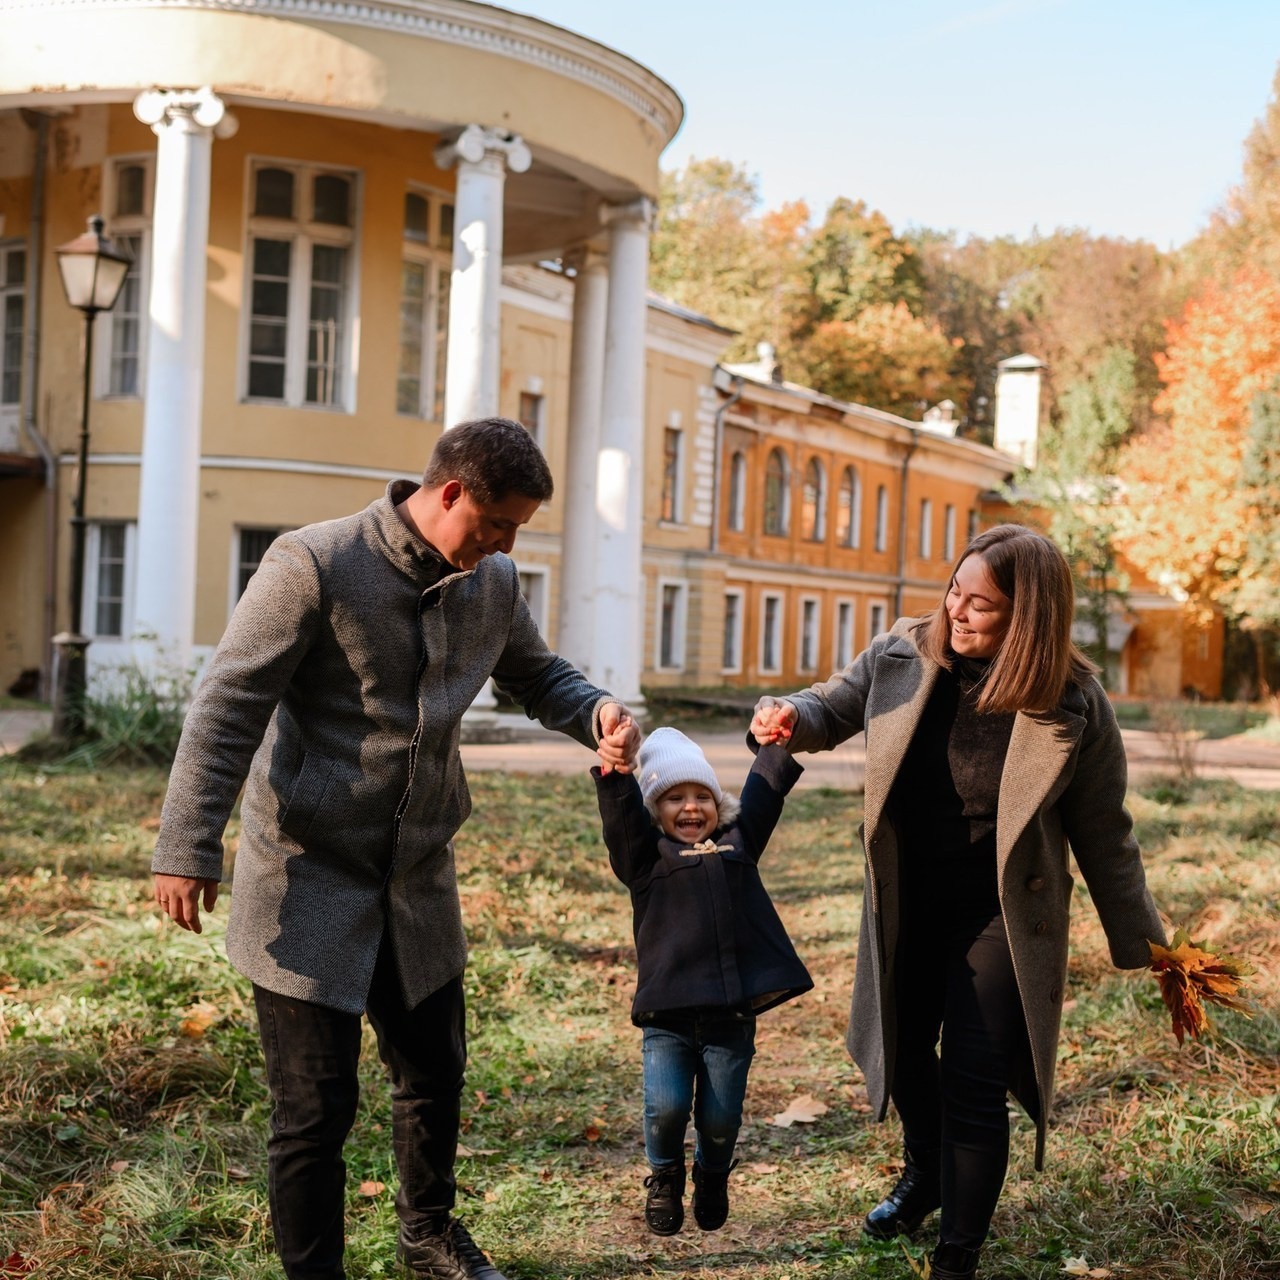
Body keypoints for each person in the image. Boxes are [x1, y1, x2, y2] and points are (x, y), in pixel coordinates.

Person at [151, 417, 641, 1280]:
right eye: (496, 524)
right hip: (308, 874)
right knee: (313, 1109)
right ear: (449, 493)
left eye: (516, 531)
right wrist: (186, 844)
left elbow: (534, 673)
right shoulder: (314, 562)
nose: (502, 544)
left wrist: (593, 709)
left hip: (417, 878)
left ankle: (428, 1235)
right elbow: (229, 704)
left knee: (434, 1072)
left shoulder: (489, 580)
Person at [751, 524, 1166, 1280]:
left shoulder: (1071, 702)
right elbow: (831, 706)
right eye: (955, 591)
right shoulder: (903, 654)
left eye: (983, 605)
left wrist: (1151, 945)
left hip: (1002, 918)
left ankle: (956, 1258)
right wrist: (788, 715)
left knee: (974, 1079)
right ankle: (925, 1173)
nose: (958, 611)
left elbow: (1106, 832)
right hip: (906, 900)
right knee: (904, 1053)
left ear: (1029, 619)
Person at [593, 727, 813, 1236]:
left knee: (720, 1119)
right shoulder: (645, 862)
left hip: (729, 1018)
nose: (690, 809)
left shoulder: (738, 843)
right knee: (666, 1107)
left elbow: (764, 792)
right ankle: (665, 1175)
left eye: (702, 797)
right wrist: (615, 772)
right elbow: (620, 819)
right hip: (667, 1016)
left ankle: (712, 1176)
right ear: (654, 810)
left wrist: (775, 744)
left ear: (719, 805)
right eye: (674, 798)